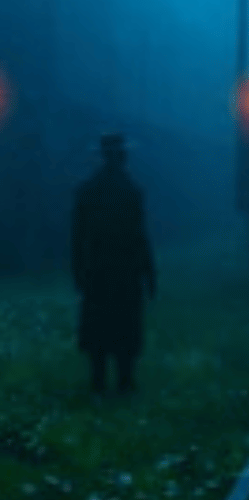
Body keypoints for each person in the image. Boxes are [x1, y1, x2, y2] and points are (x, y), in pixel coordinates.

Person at [71, 134, 156, 394]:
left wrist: (77, 268)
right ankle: (125, 380)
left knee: (98, 323)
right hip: (125, 267)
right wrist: (149, 271)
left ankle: (98, 380)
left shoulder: (88, 189)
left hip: (97, 267)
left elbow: (77, 235)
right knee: (125, 324)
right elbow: (139, 234)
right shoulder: (131, 191)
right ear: (121, 156)